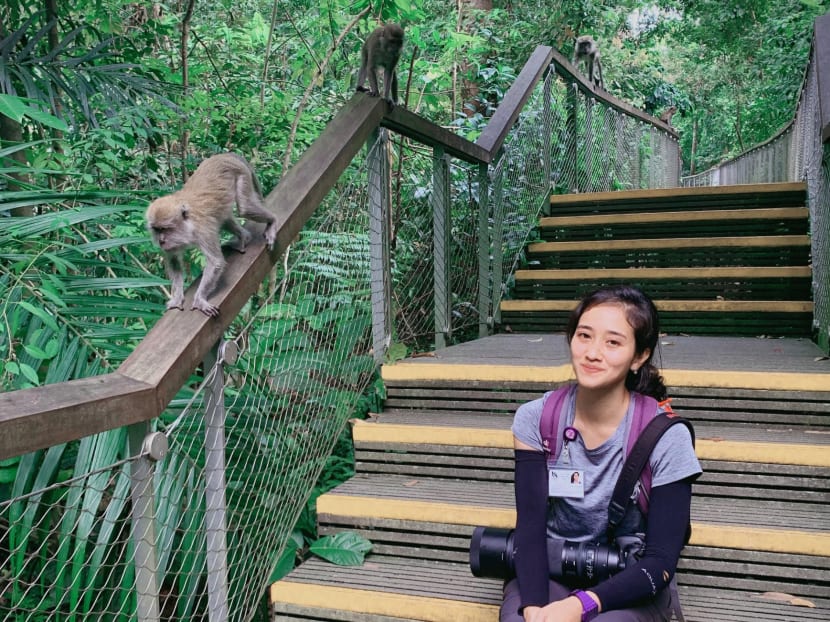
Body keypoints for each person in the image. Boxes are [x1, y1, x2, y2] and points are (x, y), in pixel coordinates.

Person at [503, 285, 701, 622]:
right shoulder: (537, 418)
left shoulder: (667, 436)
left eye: (613, 342)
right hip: (552, 563)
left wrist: (580, 605)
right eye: (584, 336)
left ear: (639, 356)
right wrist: (534, 607)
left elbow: (661, 560)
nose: (593, 353)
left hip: (630, 574)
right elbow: (531, 529)